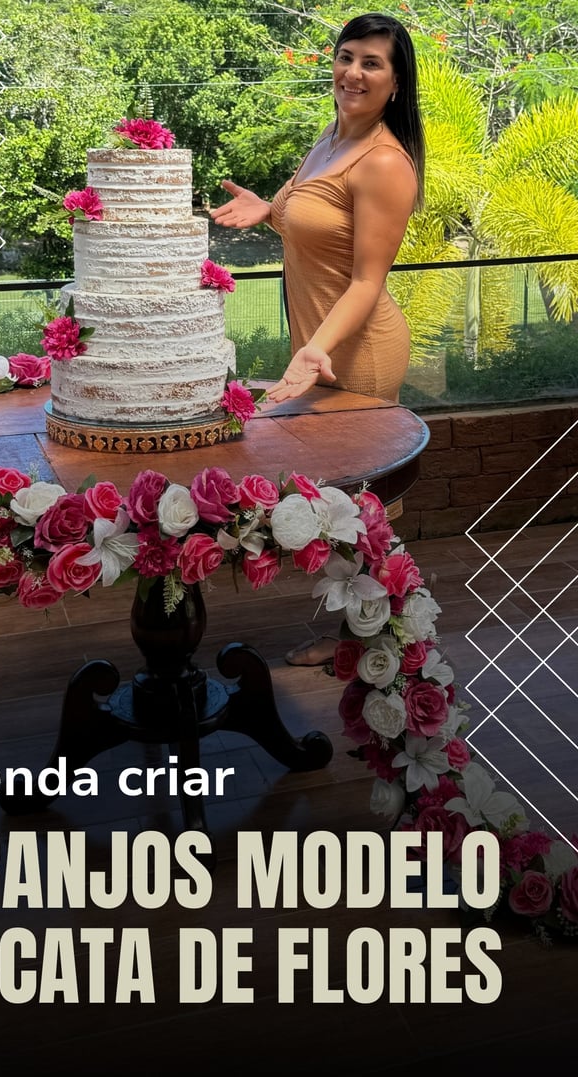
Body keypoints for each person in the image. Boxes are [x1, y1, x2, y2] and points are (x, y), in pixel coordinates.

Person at [210, 11, 425, 667]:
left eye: (372, 63)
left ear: (396, 83)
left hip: (357, 348)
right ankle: (368, 637)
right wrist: (268, 211)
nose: (353, 72)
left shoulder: (383, 162)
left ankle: (386, 647)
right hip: (322, 344)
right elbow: (312, 227)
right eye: (346, 56)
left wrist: (315, 350)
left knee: (360, 505)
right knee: (344, 502)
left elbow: (366, 280)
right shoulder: (330, 137)